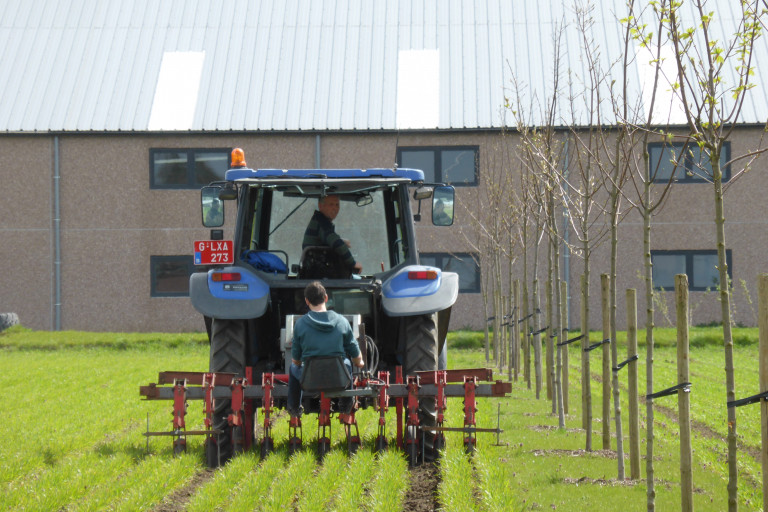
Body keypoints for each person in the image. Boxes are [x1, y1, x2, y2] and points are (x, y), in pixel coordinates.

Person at [287, 281, 365, 417]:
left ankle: (294, 408)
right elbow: (356, 355)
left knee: (292, 368)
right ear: (326, 298)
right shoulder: (342, 322)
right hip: (338, 378)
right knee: (348, 363)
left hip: (309, 379)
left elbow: (296, 361)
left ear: (306, 301)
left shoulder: (300, 325)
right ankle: (346, 403)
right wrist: (360, 362)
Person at [303, 195, 362, 274]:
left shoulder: (319, 220)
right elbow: (336, 243)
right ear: (320, 206)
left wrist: (341, 241)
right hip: (317, 272)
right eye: (331, 204)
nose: (335, 208)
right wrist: (353, 263)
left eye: (337, 205)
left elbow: (328, 240)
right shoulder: (322, 223)